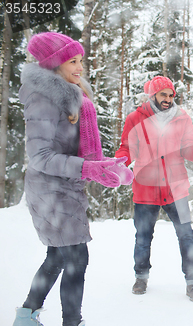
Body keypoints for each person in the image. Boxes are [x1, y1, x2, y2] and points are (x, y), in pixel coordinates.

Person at [14, 32, 132, 326]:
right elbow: (40, 156)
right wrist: (88, 169)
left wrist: (105, 167)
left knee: (57, 257)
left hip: (63, 187)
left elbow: (73, 148)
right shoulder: (43, 98)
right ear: (54, 65)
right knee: (77, 258)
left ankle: (26, 316)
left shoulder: (71, 93)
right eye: (72, 61)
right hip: (50, 190)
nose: (80, 67)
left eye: (81, 60)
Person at [115, 76, 193, 303]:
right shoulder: (135, 119)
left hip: (175, 187)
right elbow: (126, 148)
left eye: (171, 95)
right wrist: (117, 164)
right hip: (146, 186)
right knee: (143, 237)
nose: (168, 99)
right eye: (163, 94)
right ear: (152, 95)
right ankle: (141, 277)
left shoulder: (181, 119)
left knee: (186, 236)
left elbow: (189, 148)